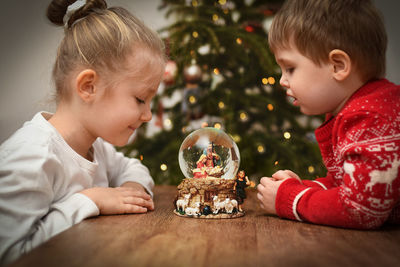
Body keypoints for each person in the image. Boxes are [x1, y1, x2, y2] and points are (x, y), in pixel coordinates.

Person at [0, 0, 166, 264]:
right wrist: (90, 200)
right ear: (88, 86)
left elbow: (132, 167)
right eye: (139, 99)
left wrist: (131, 188)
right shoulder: (31, 157)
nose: (147, 115)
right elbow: (10, 255)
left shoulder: (96, 146)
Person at [257, 0, 400, 229]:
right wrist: (303, 187)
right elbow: (342, 185)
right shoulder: (354, 110)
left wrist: (288, 199)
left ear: (338, 66)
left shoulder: (372, 118)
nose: (282, 81)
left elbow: (359, 209)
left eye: (290, 68)